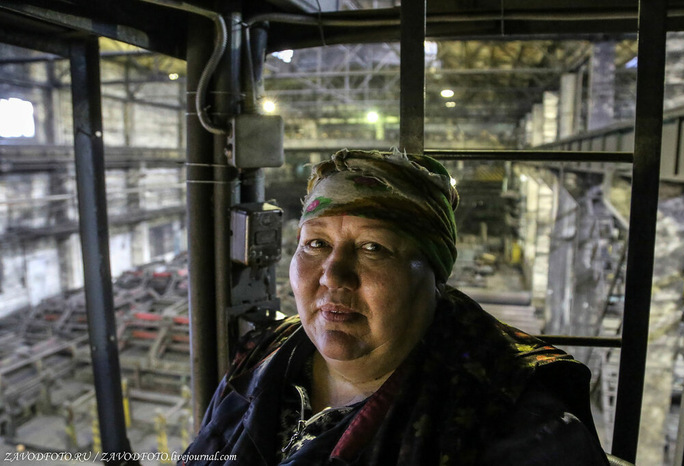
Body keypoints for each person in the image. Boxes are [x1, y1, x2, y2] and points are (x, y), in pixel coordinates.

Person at [183, 149, 609, 465]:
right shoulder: (263, 352)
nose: (333, 276)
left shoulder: (514, 421)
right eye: (316, 243)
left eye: (373, 248)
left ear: (433, 275)